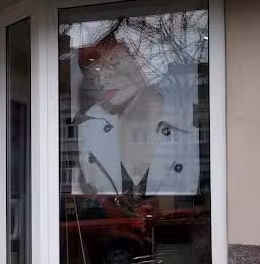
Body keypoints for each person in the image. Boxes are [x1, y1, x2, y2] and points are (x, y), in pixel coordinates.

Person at [72, 36, 200, 197]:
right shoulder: (88, 127)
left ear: (145, 63)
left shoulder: (192, 121)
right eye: (96, 71)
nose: (102, 78)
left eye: (114, 63)